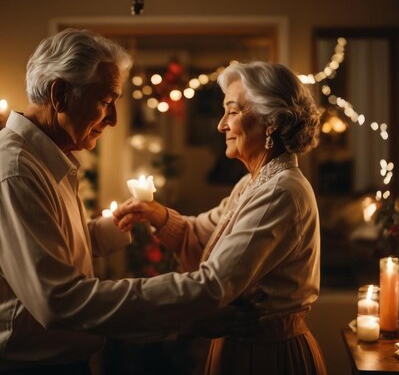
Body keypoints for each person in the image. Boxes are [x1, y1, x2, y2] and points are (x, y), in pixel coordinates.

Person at [0, 29, 222, 375]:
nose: (112, 119)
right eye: (106, 100)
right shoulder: (15, 171)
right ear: (60, 94)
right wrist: (185, 302)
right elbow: (58, 300)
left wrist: (110, 228)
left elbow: (52, 248)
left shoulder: (45, 158)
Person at [113, 61, 328, 375]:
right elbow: (200, 236)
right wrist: (156, 215)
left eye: (232, 110)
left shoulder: (281, 192)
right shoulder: (252, 184)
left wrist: (125, 304)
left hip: (268, 358)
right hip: (243, 350)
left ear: (271, 121)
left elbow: (214, 283)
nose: (220, 125)